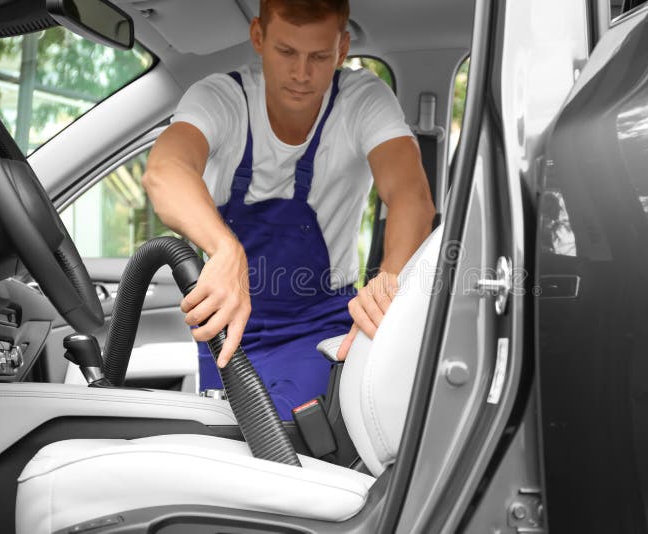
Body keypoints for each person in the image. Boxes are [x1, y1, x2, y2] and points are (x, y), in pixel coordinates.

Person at [142, 0, 435, 419]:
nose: (301, 74)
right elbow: (164, 171)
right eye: (286, 53)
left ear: (343, 48)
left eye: (319, 56)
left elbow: (411, 196)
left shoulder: (362, 100)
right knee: (230, 445)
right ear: (258, 37)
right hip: (228, 325)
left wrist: (388, 282)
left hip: (321, 325)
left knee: (292, 442)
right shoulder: (222, 98)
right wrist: (226, 250)